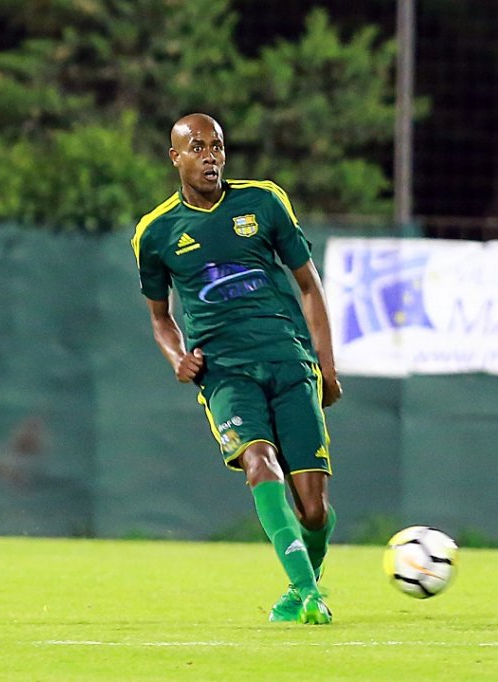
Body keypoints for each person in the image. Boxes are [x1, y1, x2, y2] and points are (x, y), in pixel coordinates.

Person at [131, 113, 341, 624]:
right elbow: (161, 320)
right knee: (259, 463)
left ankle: (300, 589)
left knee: (313, 509)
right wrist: (178, 357)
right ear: (175, 156)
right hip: (225, 372)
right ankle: (310, 594)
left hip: (289, 360)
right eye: (198, 148)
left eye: (218, 147)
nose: (211, 157)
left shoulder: (264, 200)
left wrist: (327, 367)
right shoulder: (156, 233)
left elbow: (309, 287)